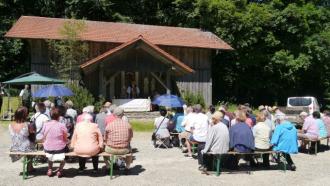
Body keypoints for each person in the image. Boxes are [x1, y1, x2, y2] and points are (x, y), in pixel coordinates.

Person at [41, 108, 68, 177]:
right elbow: (65, 138)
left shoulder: (45, 124)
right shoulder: (62, 125)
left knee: (50, 157)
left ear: (50, 115)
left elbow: (43, 135)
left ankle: (50, 169)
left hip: (48, 149)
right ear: (59, 116)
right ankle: (60, 170)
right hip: (60, 149)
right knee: (64, 157)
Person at [9, 107, 35, 172]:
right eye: (27, 114)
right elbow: (32, 134)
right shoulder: (27, 124)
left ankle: (30, 166)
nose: (28, 115)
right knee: (32, 144)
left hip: (14, 147)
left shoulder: (10, 125)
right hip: (25, 148)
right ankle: (29, 166)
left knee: (28, 143)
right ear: (24, 115)